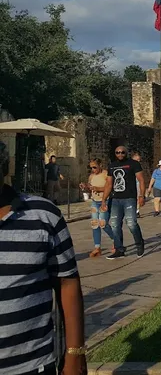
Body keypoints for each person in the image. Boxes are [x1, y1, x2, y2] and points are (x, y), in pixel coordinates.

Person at [0, 141, 88, 375]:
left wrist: (75, 353)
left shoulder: (43, 215)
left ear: (4, 167)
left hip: (31, 365)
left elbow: (68, 282)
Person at [101, 146, 146, 260]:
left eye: (122, 152)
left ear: (126, 153)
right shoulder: (112, 166)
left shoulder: (134, 164)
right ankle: (119, 249)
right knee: (115, 225)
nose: (120, 154)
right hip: (115, 199)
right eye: (117, 152)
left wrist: (141, 196)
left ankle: (139, 243)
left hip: (129, 198)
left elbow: (141, 180)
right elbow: (109, 184)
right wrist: (103, 200)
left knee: (131, 223)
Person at [80, 159, 117, 257]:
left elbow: (110, 187)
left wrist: (98, 189)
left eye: (94, 167)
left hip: (105, 201)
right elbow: (90, 188)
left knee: (103, 223)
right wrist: (85, 187)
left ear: (100, 165)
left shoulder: (106, 174)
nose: (93, 169)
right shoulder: (91, 176)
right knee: (94, 224)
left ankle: (116, 240)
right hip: (95, 202)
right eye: (91, 167)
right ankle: (97, 247)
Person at [131, 152, 143, 218]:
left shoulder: (139, 166)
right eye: (137, 160)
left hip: (137, 183)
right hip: (131, 184)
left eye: (139, 160)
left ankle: (137, 211)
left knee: (138, 198)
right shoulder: (129, 165)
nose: (138, 161)